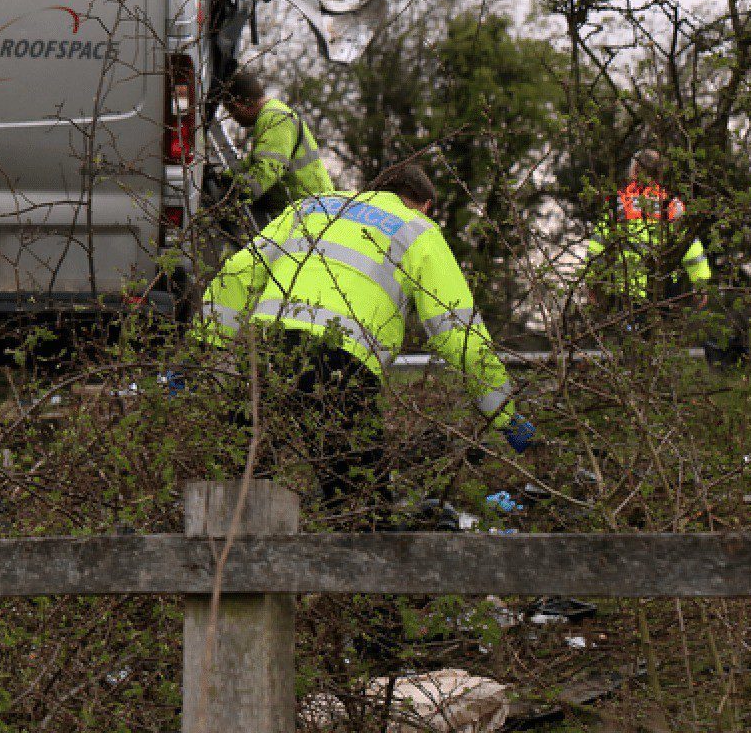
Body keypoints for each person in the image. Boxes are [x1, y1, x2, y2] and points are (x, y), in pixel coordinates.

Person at [196, 163, 534, 513]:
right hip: (340, 368)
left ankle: (228, 564)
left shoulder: (311, 206)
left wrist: (201, 349)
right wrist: (503, 412)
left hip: (265, 352)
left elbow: (237, 272)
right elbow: (457, 332)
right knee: (359, 507)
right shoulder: (418, 230)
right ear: (425, 205)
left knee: (234, 491)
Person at [584, 149, 711, 311]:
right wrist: (701, 283)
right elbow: (692, 249)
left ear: (634, 170)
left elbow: (597, 246)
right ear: (660, 172)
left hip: (625, 293)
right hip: (664, 292)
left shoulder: (618, 204)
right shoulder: (672, 205)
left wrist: (592, 280)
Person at [215, 71, 335, 225]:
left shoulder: (275, 119)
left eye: (231, 110)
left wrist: (233, 194)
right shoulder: (272, 115)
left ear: (240, 104)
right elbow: (255, 163)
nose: (232, 117)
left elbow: (267, 171)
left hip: (310, 214)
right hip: (307, 209)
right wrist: (225, 176)